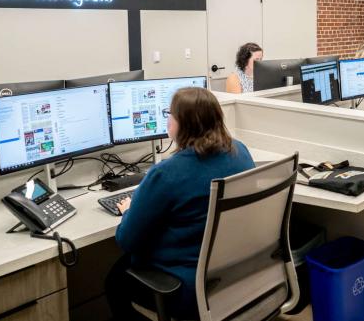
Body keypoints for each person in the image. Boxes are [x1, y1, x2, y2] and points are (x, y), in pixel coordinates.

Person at [105, 88, 255, 320]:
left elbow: (126, 240)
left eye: (170, 114)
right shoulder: (241, 152)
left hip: (185, 287)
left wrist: (128, 211)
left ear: (182, 124)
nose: (168, 119)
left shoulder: (166, 174)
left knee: (115, 280)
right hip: (234, 275)